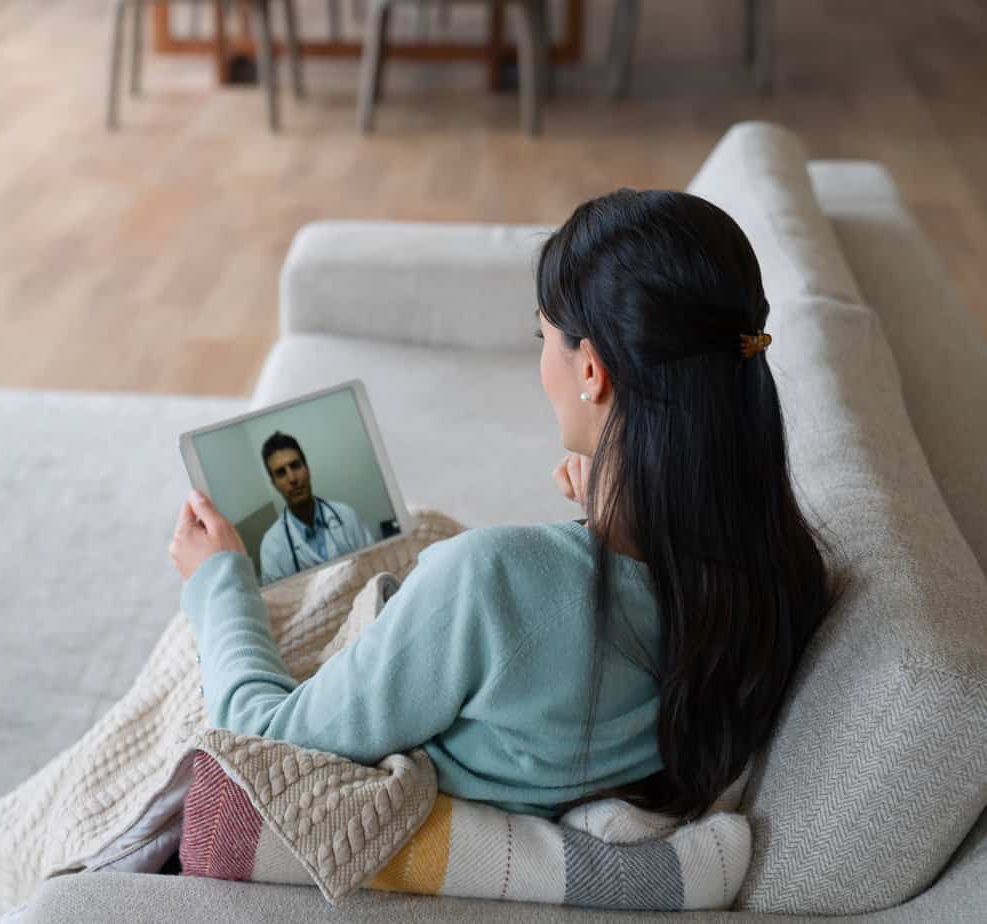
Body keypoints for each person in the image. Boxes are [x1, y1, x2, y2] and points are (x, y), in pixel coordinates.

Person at [169, 189, 838, 820]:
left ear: (589, 371)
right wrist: (618, 506)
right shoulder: (780, 571)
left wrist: (216, 583)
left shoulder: (491, 581)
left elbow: (263, 741)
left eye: (542, 337)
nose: (541, 360)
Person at [256, 432, 377, 585]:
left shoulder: (346, 516)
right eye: (281, 473)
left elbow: (375, 565)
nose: (292, 478)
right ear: (274, 484)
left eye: (295, 466)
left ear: (307, 468)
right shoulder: (271, 548)